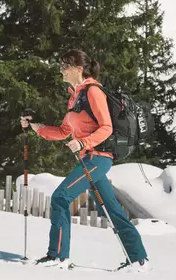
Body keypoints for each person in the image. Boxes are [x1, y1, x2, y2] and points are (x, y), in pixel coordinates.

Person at [20, 49, 149, 271]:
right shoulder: (75, 96)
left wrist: (83, 143)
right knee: (111, 209)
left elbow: (106, 127)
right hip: (88, 159)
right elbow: (63, 131)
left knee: (61, 197)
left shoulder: (92, 91)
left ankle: (58, 256)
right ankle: (138, 259)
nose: (61, 70)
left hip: (97, 159)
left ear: (78, 69)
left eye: (65, 66)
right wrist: (35, 127)